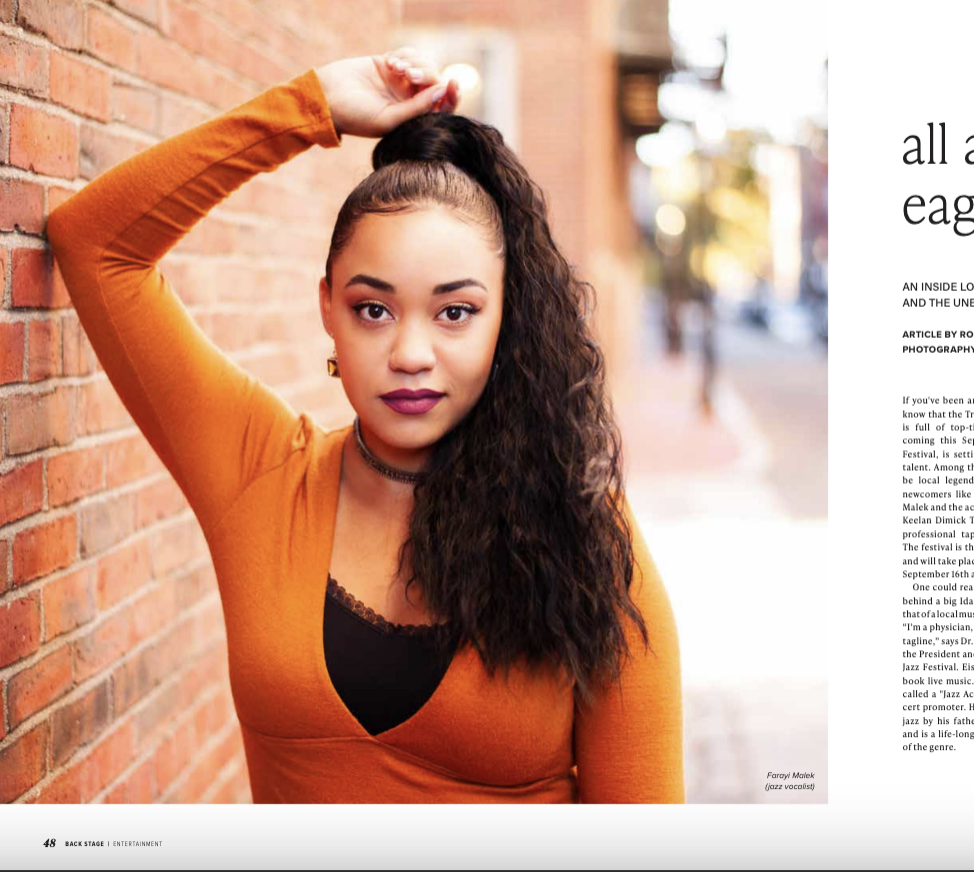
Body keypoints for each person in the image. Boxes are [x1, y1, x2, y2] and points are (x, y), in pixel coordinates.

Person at [46, 47, 683, 803]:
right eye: (373, 309)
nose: (410, 354)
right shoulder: (262, 475)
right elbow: (96, 245)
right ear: (328, 307)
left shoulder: (583, 532)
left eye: (456, 312)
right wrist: (309, 107)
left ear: (505, 318)